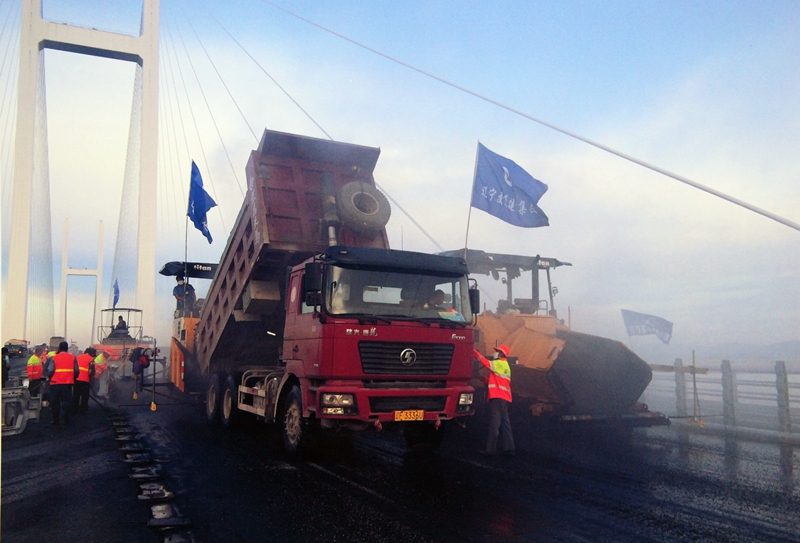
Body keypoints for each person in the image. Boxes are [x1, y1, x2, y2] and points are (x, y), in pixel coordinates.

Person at [474, 344, 515, 457]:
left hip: (497, 397)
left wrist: (474, 351)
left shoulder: (499, 363)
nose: (495, 353)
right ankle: (509, 448)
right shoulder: (505, 366)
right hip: (505, 398)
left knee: (494, 424)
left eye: (497, 351)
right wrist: (485, 380)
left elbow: (485, 362)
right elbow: (499, 381)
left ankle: (491, 449)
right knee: (505, 423)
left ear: (501, 354)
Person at [44, 341, 78, 425]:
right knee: (67, 401)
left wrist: (49, 377)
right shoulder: (72, 358)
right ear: (67, 348)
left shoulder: (54, 358)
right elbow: (76, 371)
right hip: (67, 383)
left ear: (59, 348)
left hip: (55, 384)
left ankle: (56, 419)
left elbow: (50, 370)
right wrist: (73, 378)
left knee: (55, 402)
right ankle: (66, 416)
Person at [71, 347, 95, 415]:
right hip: (85, 380)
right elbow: (91, 371)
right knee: (85, 396)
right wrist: (91, 380)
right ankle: (83, 410)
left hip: (76, 379)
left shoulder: (78, 357)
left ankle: (74, 410)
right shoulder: (91, 359)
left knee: (76, 395)